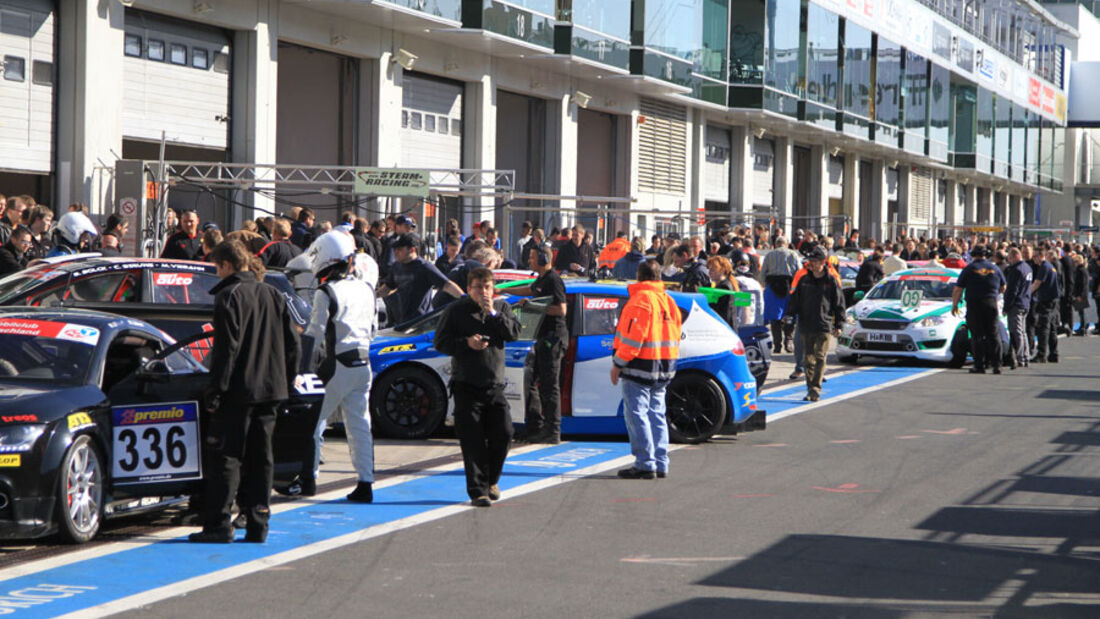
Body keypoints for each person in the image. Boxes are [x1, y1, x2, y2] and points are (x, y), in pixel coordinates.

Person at [189, 240, 300, 544]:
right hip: (271, 390)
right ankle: (258, 522)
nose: (217, 273)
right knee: (261, 457)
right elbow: (294, 345)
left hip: (239, 392)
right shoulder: (273, 294)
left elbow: (227, 349)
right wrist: (287, 383)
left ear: (226, 265)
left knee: (227, 456)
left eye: (217, 268)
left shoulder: (230, 295)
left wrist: (216, 389)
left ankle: (219, 524)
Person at [433, 267, 521, 506]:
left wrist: (491, 312)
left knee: (504, 433)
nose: (483, 291)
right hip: (466, 385)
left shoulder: (501, 308)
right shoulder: (456, 311)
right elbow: (440, 342)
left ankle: (492, 479)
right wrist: (466, 343)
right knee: (472, 440)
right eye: (478, 287)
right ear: (469, 289)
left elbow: (513, 333)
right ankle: (478, 491)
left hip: (494, 385)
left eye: (487, 287)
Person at [303, 232, 377, 502]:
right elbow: (373, 330)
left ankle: (307, 478)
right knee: (359, 425)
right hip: (364, 363)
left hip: (337, 364)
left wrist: (301, 365)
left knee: (312, 420)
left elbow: (314, 335)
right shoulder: (366, 288)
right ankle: (365, 482)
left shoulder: (326, 292)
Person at [611, 259, 682, 480]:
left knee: (637, 414)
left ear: (639, 276)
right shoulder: (667, 300)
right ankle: (660, 462)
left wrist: (618, 363)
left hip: (640, 366)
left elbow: (633, 339)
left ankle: (644, 463)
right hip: (665, 365)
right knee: (657, 414)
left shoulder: (640, 300)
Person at [509, 244, 568, 443]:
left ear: (544, 258)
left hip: (554, 338)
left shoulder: (554, 280)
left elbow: (561, 310)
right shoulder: (541, 279)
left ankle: (553, 431)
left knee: (549, 386)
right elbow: (529, 289)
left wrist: (532, 305)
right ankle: (536, 426)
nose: (529, 261)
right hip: (542, 338)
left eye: (533, 258)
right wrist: (506, 288)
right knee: (531, 382)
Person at [784, 246, 845, 401]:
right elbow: (794, 301)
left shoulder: (830, 280)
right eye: (810, 261)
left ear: (823, 262)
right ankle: (810, 388)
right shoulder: (804, 280)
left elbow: (839, 303)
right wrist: (789, 316)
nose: (812, 264)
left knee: (820, 357)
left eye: (815, 261)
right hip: (805, 324)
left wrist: (839, 324)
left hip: (823, 324)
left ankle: (816, 388)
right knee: (807, 359)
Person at [378, 233, 464, 324]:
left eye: (399, 249)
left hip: (422, 322)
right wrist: (371, 296)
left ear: (412, 250)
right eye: (395, 249)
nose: (395, 253)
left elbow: (447, 285)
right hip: (403, 322)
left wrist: (465, 298)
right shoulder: (396, 267)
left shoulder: (425, 267)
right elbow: (387, 288)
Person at [952, 246, 1006, 374]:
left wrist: (955, 305)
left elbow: (958, 289)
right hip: (991, 303)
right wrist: (994, 294)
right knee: (993, 334)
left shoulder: (969, 269)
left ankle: (979, 365)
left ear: (973, 255)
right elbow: (1004, 286)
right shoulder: (995, 268)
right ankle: (997, 365)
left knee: (977, 335)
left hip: (975, 304)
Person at [760, 236, 802, 353]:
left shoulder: (769, 255)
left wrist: (764, 285)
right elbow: (799, 272)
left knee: (775, 317)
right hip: (789, 287)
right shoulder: (793, 254)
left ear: (775, 244)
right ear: (787, 244)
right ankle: (788, 342)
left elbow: (762, 273)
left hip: (772, 287)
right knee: (789, 315)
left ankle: (777, 344)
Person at [1002, 247, 1032, 370]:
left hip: (1017, 304)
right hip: (1025, 302)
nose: (1009, 261)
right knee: (1022, 331)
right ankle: (1025, 355)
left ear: (1015, 256)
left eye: (1009, 258)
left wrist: (1006, 306)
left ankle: (1020, 357)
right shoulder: (1027, 268)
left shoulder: (1016, 270)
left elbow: (1012, 291)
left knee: (1017, 331)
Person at [1031, 250, 1061, 363]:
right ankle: (1054, 353)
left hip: (1046, 300)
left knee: (1043, 327)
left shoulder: (1044, 266)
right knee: (1052, 328)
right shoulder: (1050, 266)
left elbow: (1037, 283)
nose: (1034, 259)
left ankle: (1041, 354)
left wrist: (1026, 293)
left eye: (1035, 257)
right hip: (1053, 299)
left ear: (1041, 256)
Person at [706, 255, 740, 329]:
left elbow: (715, 307)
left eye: (713, 269)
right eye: (709, 269)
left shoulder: (725, 287)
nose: (710, 272)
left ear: (722, 270)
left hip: (725, 328)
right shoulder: (718, 285)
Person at [732, 253, 763, 327]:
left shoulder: (738, 282)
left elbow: (745, 310)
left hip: (741, 326)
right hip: (755, 323)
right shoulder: (755, 283)